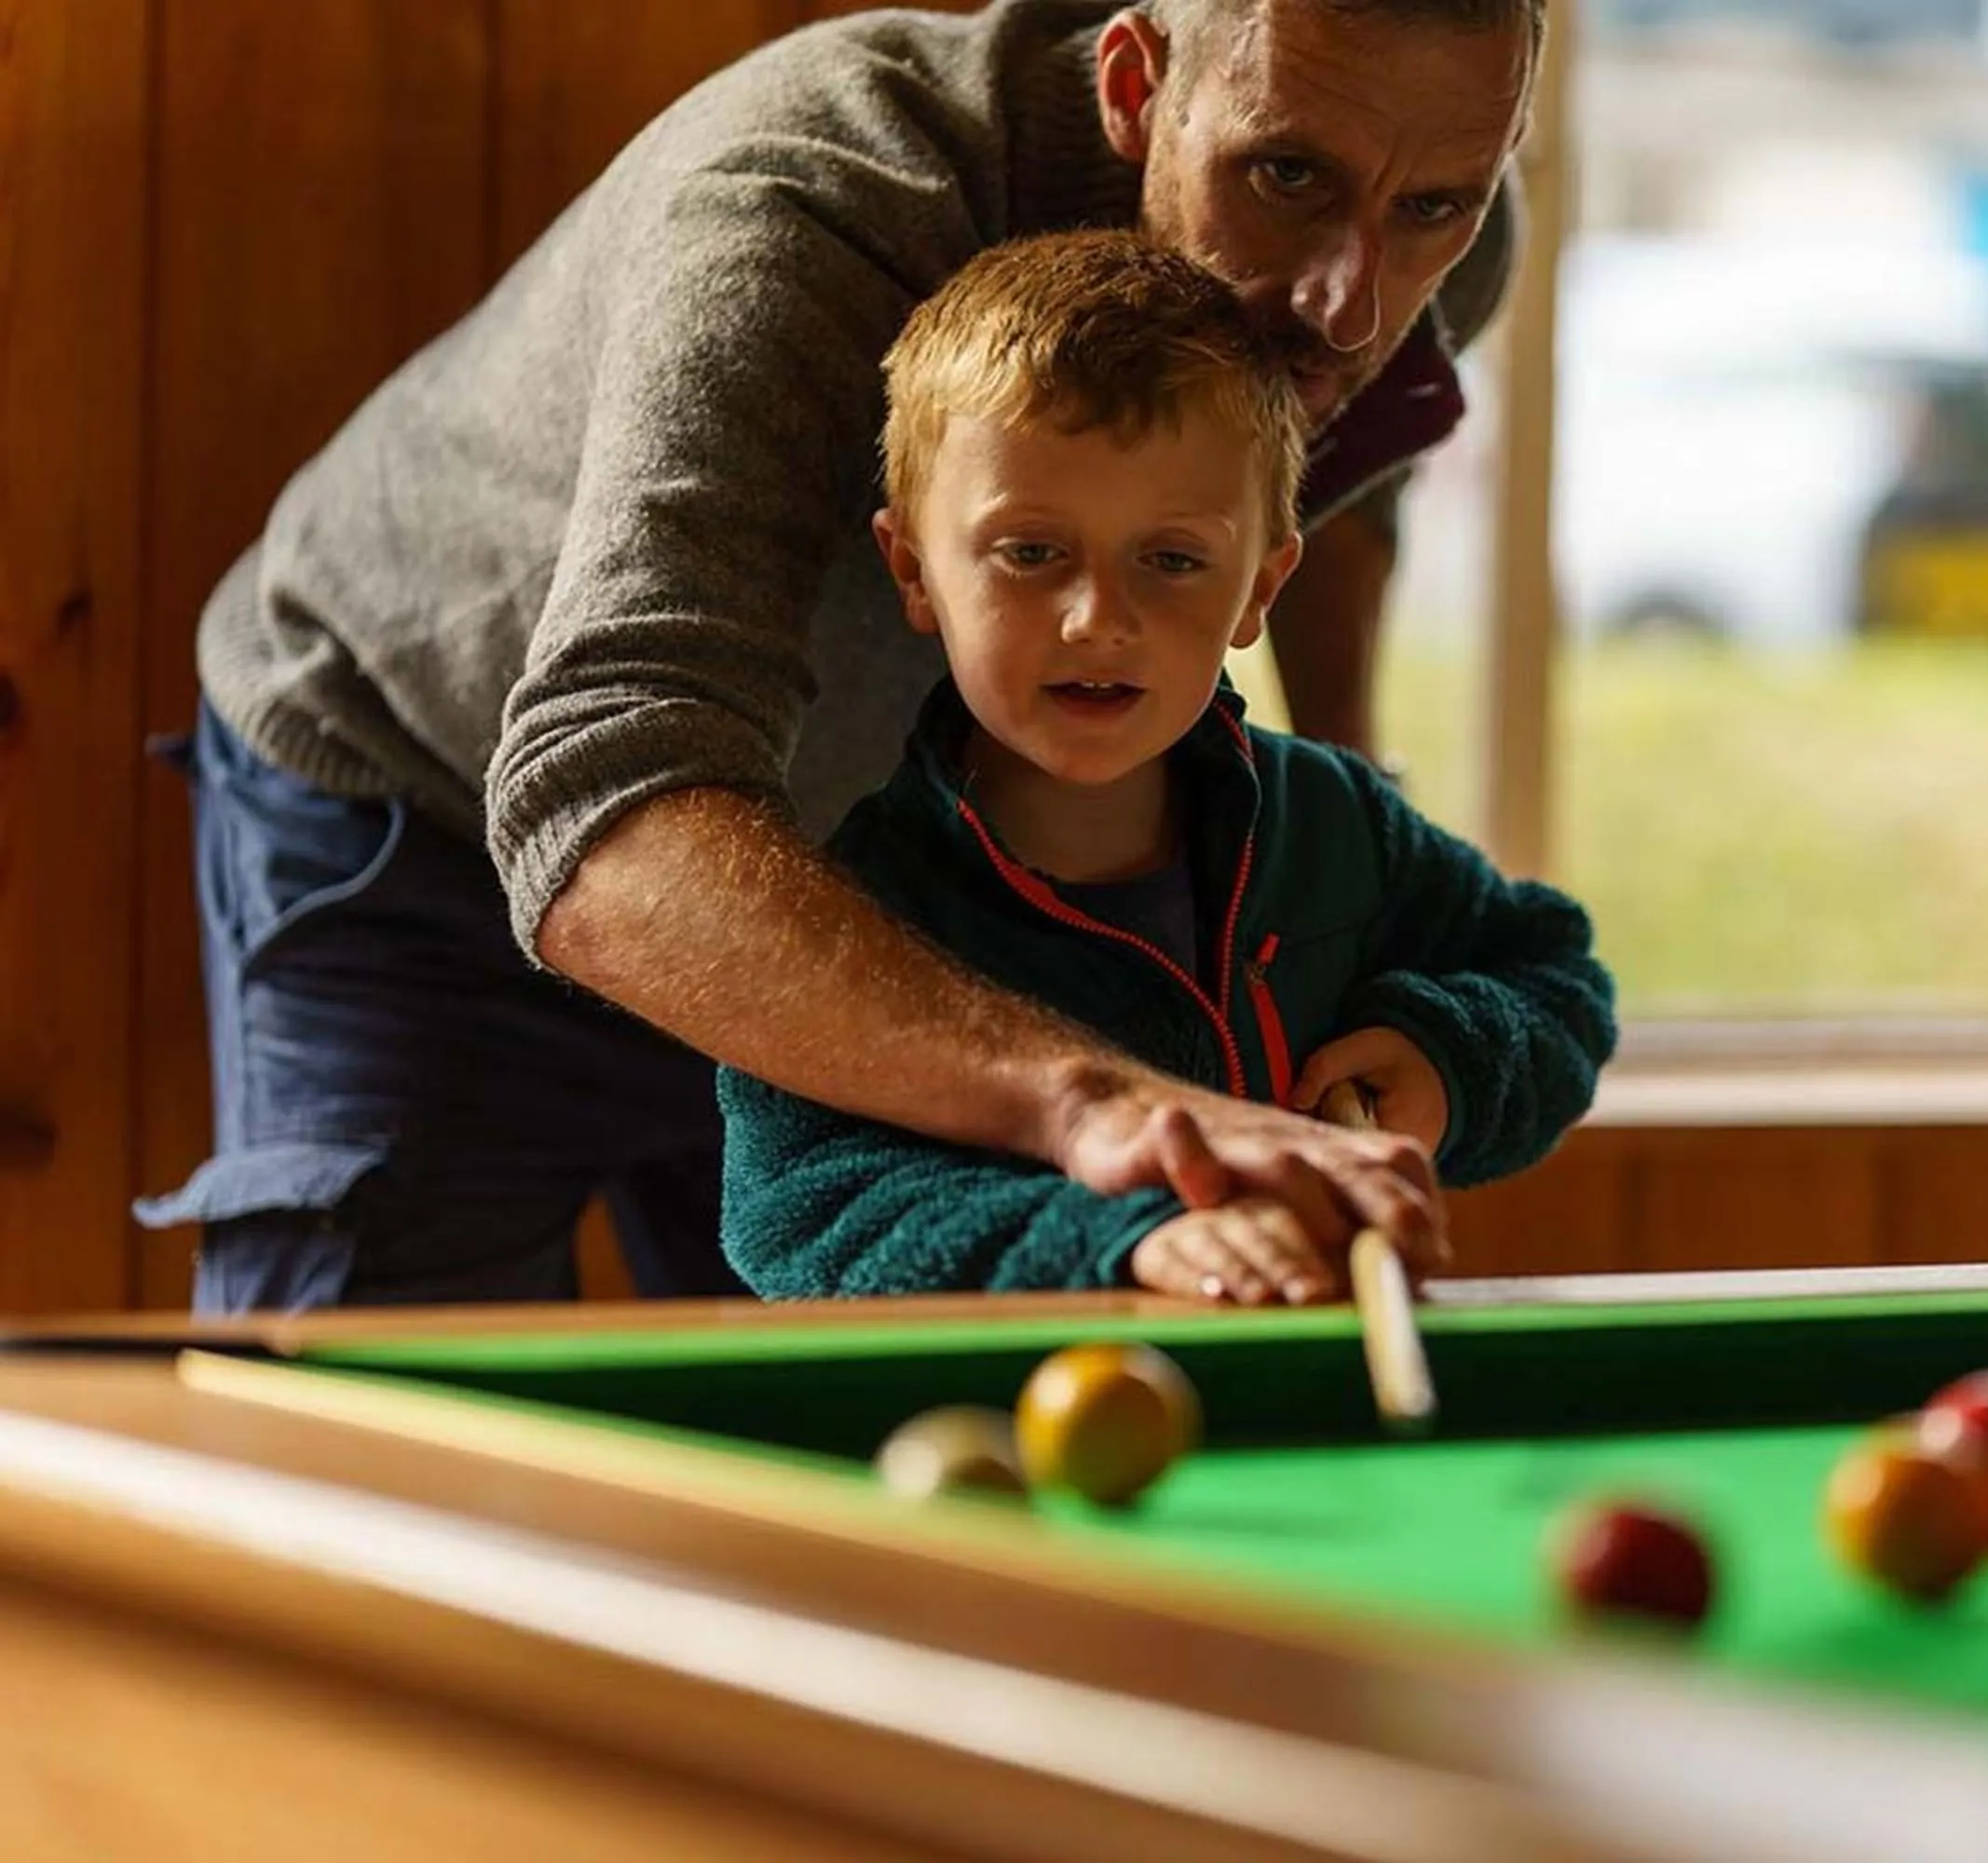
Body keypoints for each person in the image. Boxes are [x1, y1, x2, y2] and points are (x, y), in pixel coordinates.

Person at [136, 0, 1542, 1312]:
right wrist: (1092, 1098)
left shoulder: (1430, 238)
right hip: (431, 808)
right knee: (389, 1448)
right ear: (1136, 85)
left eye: (1432, 205)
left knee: (852, 1440)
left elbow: (1309, 485)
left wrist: (1345, 818)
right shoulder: (809, 206)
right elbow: (604, 804)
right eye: (1285, 176)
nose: (1351, 303)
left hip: (855, 870)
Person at [719, 230, 1611, 1300]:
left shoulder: (1333, 824)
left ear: (1259, 587)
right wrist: (1124, 1238)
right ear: (914, 568)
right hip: (1011, 1408)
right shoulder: (853, 909)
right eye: (1032, 552)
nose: (1100, 618)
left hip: (1307, 1392)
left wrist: (1448, 1061)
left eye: (1173, 559)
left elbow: (1558, 979)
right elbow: (801, 1213)